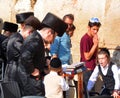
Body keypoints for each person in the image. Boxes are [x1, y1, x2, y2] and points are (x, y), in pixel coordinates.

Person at [17, 12, 68, 96]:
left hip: (32, 82)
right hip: (30, 82)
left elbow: (34, 57)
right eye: (54, 37)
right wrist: (32, 70)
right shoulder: (35, 39)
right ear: (49, 33)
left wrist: (45, 61)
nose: (53, 41)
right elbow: (25, 56)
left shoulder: (37, 39)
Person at [4, 15, 41, 82]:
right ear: (30, 33)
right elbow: (25, 55)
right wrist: (33, 70)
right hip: (14, 74)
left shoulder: (16, 37)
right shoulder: (17, 40)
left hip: (14, 72)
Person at [80, 17, 101, 97]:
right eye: (94, 29)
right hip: (87, 70)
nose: (95, 32)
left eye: (97, 30)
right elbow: (87, 57)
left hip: (93, 68)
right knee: (88, 94)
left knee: (91, 93)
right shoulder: (85, 39)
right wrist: (95, 44)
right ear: (88, 28)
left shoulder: (93, 38)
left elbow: (95, 53)